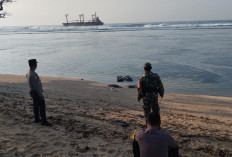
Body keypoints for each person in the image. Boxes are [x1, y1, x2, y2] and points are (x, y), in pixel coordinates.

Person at [26, 59, 52, 126]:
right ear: (35, 65)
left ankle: (37, 118)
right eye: (36, 64)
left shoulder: (28, 72)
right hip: (36, 92)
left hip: (33, 92)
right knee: (42, 106)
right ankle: (44, 121)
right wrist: (40, 95)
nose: (36, 65)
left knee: (36, 106)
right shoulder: (33, 74)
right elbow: (36, 86)